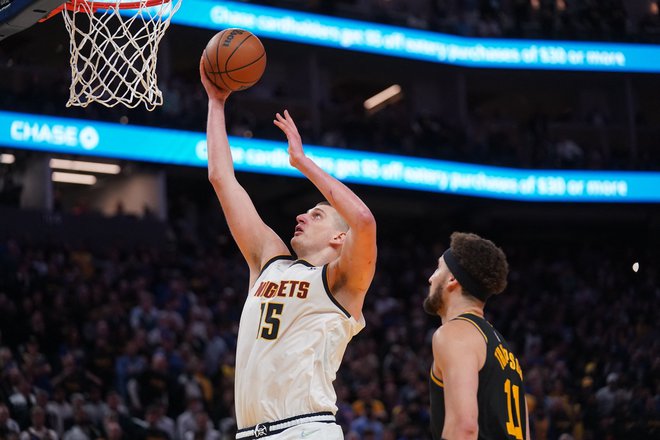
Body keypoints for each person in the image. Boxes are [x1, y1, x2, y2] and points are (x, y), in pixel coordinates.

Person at [200, 58, 377, 440]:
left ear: (339, 239)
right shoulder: (269, 259)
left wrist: (302, 161)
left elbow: (362, 219)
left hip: (306, 429)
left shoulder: (343, 282)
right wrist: (216, 103)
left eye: (317, 215)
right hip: (250, 433)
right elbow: (221, 178)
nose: (302, 215)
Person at [423, 232, 530, 440]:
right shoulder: (506, 352)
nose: (431, 278)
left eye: (438, 268)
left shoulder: (455, 334)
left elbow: (464, 427)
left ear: (452, 279)